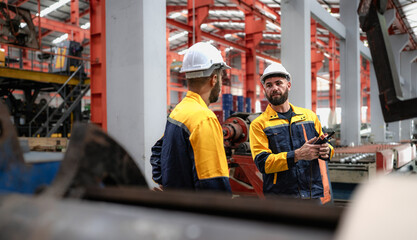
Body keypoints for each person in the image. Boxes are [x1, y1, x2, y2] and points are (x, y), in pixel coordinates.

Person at [150, 42, 231, 193]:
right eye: (220, 76)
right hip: (194, 214)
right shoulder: (204, 119)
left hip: (179, 209)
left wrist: (169, 187)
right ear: (213, 79)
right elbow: (213, 185)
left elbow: (157, 152)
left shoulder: (178, 111)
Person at [249, 63, 334, 204]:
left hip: (311, 194)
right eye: (269, 85)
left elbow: (329, 147)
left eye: (278, 83)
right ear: (264, 90)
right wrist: (296, 155)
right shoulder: (259, 124)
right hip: (280, 198)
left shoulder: (309, 117)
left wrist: (327, 151)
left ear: (288, 85)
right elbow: (263, 163)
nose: (274, 88)